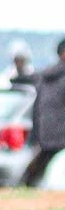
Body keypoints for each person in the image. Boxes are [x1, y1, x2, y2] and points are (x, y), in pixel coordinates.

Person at [22, 39, 65, 186]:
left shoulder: (45, 75)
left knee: (39, 170)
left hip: (45, 135)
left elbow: (37, 108)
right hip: (60, 137)